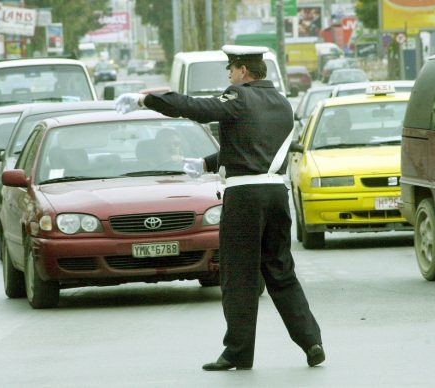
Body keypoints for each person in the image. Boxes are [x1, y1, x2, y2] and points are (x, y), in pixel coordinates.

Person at [115, 45, 324, 371]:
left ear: (242, 70)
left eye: (230, 69)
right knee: (281, 271)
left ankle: (238, 352)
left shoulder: (239, 97)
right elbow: (256, 149)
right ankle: (311, 341)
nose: (228, 75)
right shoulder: (281, 103)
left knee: (239, 275)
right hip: (276, 196)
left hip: (245, 198)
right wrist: (206, 162)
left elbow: (196, 108)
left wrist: (147, 100)